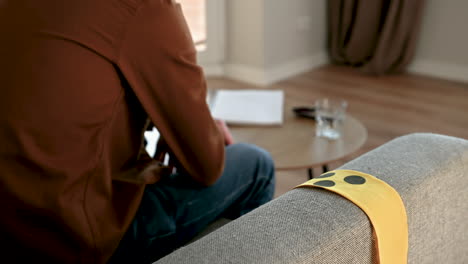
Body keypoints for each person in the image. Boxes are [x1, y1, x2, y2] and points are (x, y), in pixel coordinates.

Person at [0, 0, 275, 263]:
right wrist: (205, 132)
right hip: (70, 242)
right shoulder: (145, 8)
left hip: (9, 227)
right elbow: (208, 166)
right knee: (256, 165)